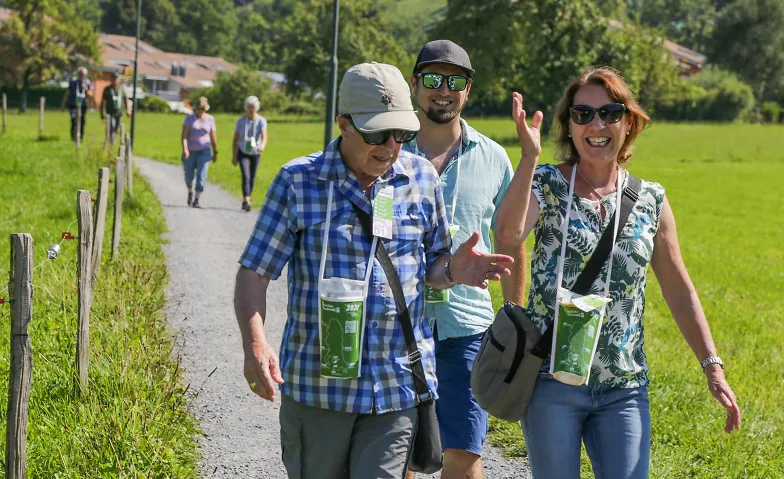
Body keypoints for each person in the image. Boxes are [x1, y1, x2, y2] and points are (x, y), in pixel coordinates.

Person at [234, 62, 514, 479]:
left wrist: (454, 269)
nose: (390, 146)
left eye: (401, 134)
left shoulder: (421, 179)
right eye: (377, 134)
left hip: (394, 388)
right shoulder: (298, 181)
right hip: (318, 390)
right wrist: (255, 344)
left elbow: (433, 267)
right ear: (344, 124)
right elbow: (254, 272)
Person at [494, 66, 742, 479]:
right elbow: (507, 235)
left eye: (610, 113)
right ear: (569, 126)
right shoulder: (547, 184)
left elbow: (680, 290)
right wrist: (529, 157)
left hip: (623, 386)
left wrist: (712, 366)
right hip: (551, 380)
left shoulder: (651, 200)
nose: (597, 124)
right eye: (583, 114)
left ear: (629, 123)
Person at [402, 40, 527, 479]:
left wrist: (516, 319)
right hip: (395, 325)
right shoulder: (388, 151)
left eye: (455, 81)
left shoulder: (492, 157)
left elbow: (511, 242)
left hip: (467, 330)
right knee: (397, 452)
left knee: (464, 453)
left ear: (468, 90)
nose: (443, 90)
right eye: (433, 79)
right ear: (414, 84)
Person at [232, 95, 268, 212]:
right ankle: (247, 199)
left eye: (253, 107)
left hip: (255, 152)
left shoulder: (261, 121)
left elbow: (264, 136)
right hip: (243, 152)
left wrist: (262, 145)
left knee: (252, 177)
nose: (251, 109)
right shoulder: (241, 121)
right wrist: (234, 156)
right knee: (246, 175)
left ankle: (247, 198)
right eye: (249, 106)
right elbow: (235, 139)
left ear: (256, 107)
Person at [181, 97, 218, 208]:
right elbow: (184, 136)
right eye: (199, 108)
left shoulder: (210, 119)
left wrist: (215, 151)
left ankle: (196, 199)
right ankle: (190, 191)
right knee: (189, 176)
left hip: (205, 151)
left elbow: (213, 136)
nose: (201, 111)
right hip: (191, 151)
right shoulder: (189, 119)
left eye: (203, 108)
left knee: (202, 175)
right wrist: (185, 149)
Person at [60, 67, 94, 142]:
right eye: (80, 74)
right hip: (73, 104)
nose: (82, 76)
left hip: (83, 105)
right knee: (73, 119)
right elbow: (67, 93)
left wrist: (86, 90)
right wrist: (63, 105)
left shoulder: (88, 83)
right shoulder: (73, 82)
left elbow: (91, 95)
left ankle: (80, 137)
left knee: (82, 121)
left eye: (83, 74)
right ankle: (73, 136)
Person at [100, 72, 131, 144]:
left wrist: (128, 110)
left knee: (116, 128)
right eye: (113, 79)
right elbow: (103, 102)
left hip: (119, 113)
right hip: (110, 113)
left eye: (116, 79)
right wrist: (102, 113)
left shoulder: (121, 89)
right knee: (111, 126)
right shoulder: (107, 89)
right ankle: (110, 141)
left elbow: (126, 99)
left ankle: (112, 141)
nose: (115, 80)